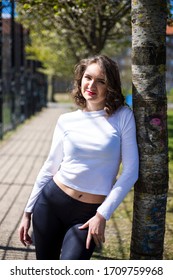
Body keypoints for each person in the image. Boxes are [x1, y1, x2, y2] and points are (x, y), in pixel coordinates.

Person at [18, 54, 139, 260]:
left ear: (110, 85)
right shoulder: (66, 120)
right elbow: (50, 167)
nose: (92, 85)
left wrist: (102, 214)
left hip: (89, 214)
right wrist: (27, 212)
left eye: (101, 81)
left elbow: (131, 172)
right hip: (51, 204)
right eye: (88, 77)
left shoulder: (123, 116)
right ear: (80, 79)